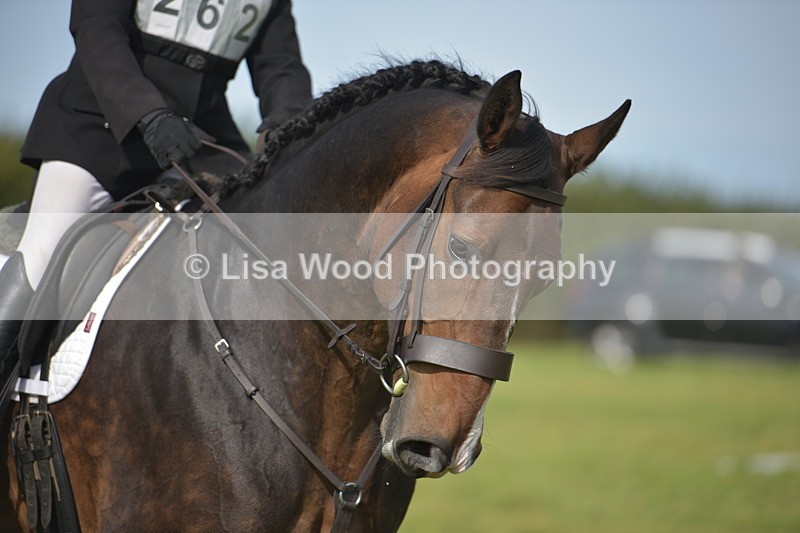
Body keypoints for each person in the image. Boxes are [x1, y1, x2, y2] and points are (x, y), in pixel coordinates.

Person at [0, 0, 312, 406]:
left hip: (198, 141)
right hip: (100, 126)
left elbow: (282, 67)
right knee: (44, 251)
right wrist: (149, 116)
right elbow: (96, 27)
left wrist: (289, 134)